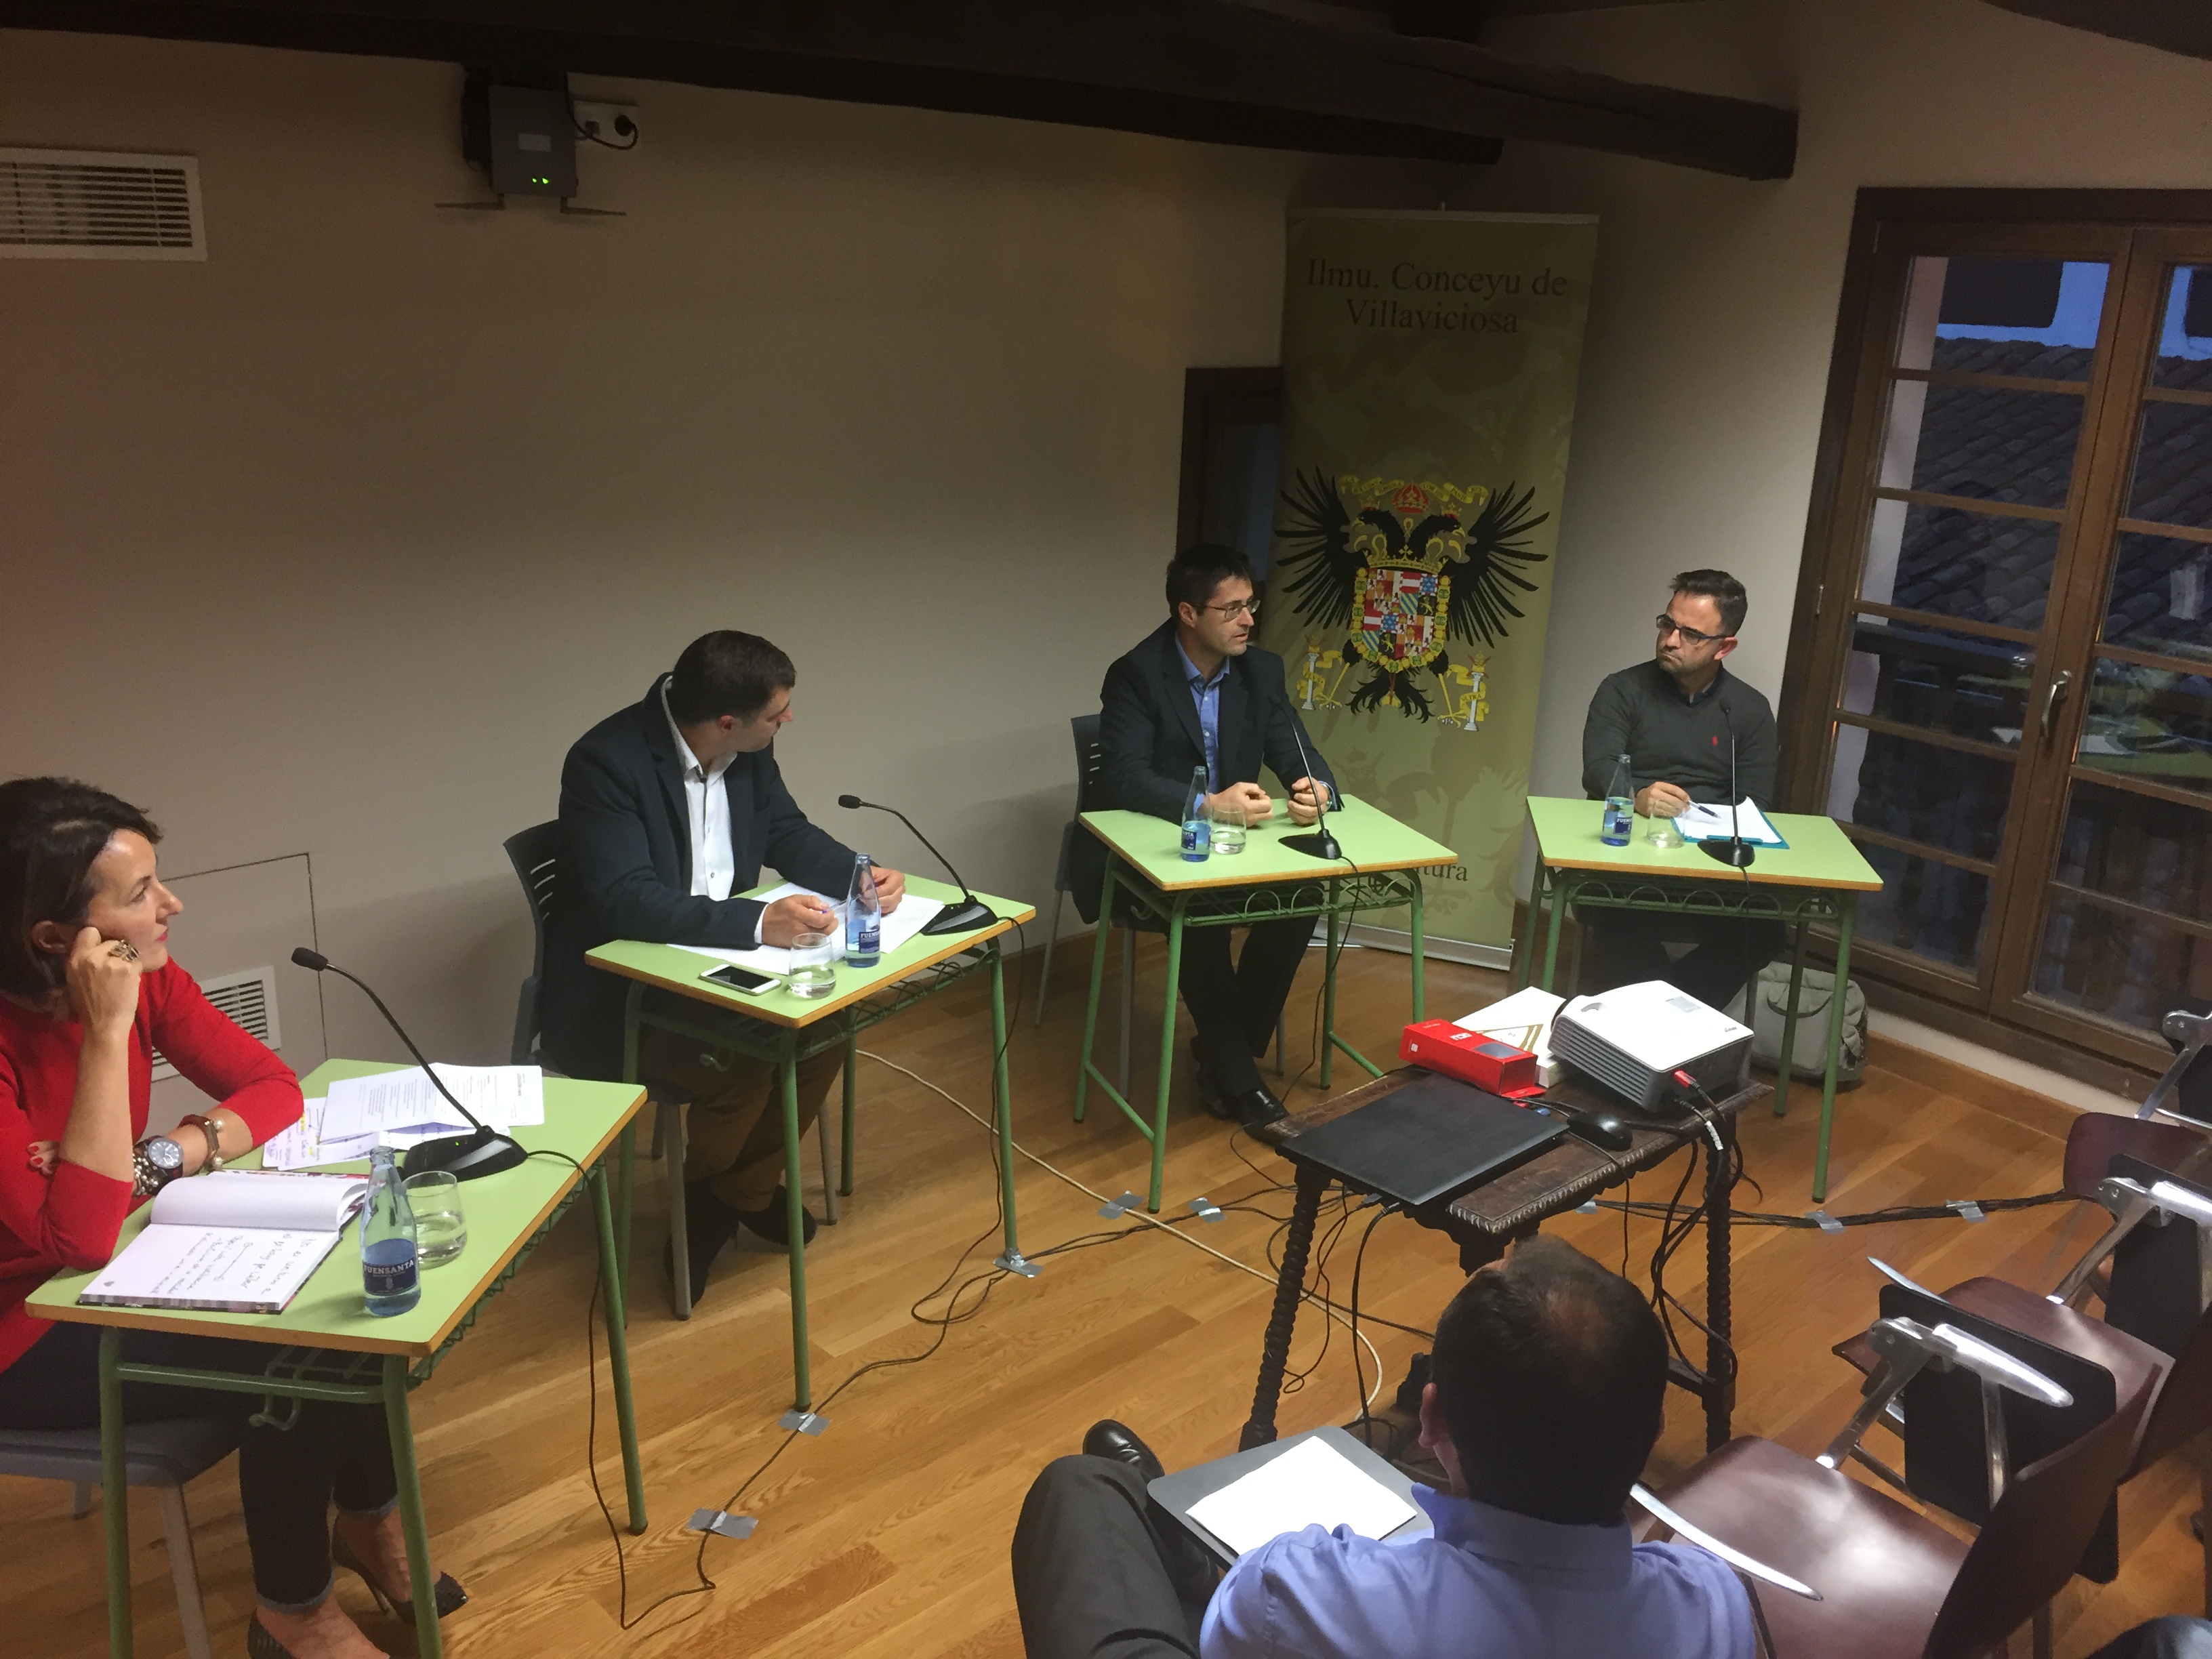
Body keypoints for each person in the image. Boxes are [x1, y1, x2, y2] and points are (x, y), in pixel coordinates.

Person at [0, 778, 462, 1659]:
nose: (171, 905)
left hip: (121, 1258)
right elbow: (77, 1238)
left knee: (343, 1304)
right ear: (58, 939)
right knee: (293, 1355)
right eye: (141, 894)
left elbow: (272, 1088)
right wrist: (107, 1035)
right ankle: (294, 1612)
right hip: (20, 1327)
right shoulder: (99, 1007)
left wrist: (159, 1156)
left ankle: (369, 1522)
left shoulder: (149, 976)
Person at [1009, 1235, 1752, 1659]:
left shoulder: (1294, 1589)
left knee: (1080, 1489)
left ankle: (1170, 1539)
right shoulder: (1714, 1609)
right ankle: (1175, 1544)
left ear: (1432, 1420)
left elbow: (1224, 1640)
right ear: (1655, 1430)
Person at [539, 631, 905, 1304]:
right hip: (622, 993)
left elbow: (785, 832)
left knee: (827, 1030)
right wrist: (758, 923)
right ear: (728, 721)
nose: (788, 721)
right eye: (777, 714)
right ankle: (715, 1209)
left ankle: (730, 1196)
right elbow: (626, 901)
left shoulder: (748, 752)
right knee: (741, 1069)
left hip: (716, 969)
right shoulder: (606, 761)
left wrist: (861, 876)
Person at [1080, 545, 1337, 1130]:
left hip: (1236, 850)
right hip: (1151, 853)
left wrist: (1315, 787)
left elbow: (1297, 750)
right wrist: (1207, 805)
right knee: (1200, 915)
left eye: (1252, 605)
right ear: (1189, 614)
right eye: (1233, 609)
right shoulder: (1137, 674)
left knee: (1304, 898)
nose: (1249, 620)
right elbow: (1121, 776)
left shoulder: (1260, 671)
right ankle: (1241, 1084)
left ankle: (1223, 1055)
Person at [1579, 570, 1786, 1012]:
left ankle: (1658, 1018)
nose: (1670, 641)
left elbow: (1758, 802)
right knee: (1614, 916)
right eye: (1667, 624)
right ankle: (1672, 1023)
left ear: (1724, 647)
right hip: (1630, 861)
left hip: (1710, 866)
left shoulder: (1747, 709)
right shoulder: (1622, 690)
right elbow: (1598, 769)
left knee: (1764, 932)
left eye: (1690, 634)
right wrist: (1637, 796)